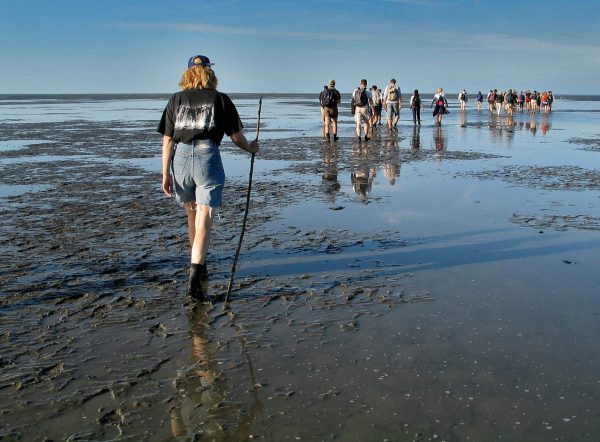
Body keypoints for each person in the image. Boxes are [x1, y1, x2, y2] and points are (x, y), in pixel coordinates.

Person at [158, 54, 259, 301]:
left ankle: (196, 262)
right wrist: (251, 149)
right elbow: (236, 136)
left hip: (180, 159)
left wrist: (165, 174)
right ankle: (197, 269)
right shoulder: (220, 99)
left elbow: (168, 139)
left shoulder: (176, 99)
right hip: (207, 155)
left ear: (188, 73)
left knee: (191, 213)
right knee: (205, 214)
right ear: (209, 74)